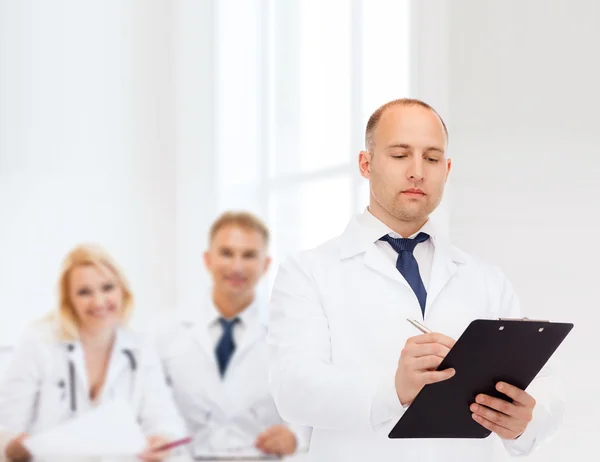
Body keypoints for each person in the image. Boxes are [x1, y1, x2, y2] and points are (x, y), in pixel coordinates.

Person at [267, 98, 564, 461]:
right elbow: (293, 391)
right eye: (399, 155)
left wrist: (525, 420)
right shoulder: (308, 272)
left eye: (432, 158)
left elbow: (544, 384)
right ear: (366, 163)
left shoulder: (486, 279)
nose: (417, 171)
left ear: (447, 169)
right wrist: (394, 389)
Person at [0, 244, 190, 462]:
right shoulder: (39, 342)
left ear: (122, 290)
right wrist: (12, 445)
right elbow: (5, 425)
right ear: (69, 301)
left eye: (108, 288)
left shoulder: (141, 349)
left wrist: (161, 438)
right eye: (84, 292)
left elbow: (164, 419)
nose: (99, 301)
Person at [154, 212, 310, 459]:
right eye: (226, 253)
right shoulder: (165, 331)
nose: (237, 266)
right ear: (208, 260)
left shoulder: (290, 329)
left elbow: (315, 399)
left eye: (248, 255)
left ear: (266, 264)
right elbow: (151, 407)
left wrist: (296, 436)